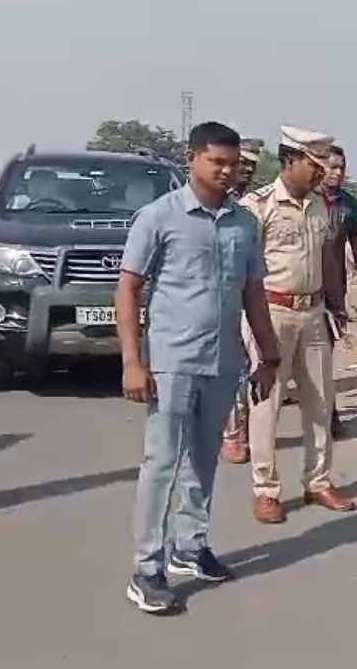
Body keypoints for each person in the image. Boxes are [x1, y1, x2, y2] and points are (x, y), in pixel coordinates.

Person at [116, 121, 282, 614]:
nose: (228, 172)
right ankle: (147, 568)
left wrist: (267, 356)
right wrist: (132, 360)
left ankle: (189, 546)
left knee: (204, 460)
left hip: (223, 360)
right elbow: (128, 288)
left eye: (234, 164)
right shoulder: (158, 217)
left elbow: (253, 292)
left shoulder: (242, 223)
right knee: (162, 462)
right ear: (192, 159)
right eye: (218, 162)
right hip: (171, 362)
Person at [241, 124, 356, 523]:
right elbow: (244, 270)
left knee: (320, 401)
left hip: (313, 312)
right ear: (290, 161)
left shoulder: (322, 206)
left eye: (324, 163)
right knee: (266, 404)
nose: (322, 171)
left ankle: (319, 480)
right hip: (271, 311)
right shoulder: (258, 206)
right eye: (314, 163)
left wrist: (336, 306)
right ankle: (266, 489)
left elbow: (326, 258)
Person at [221, 137, 266, 464]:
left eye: (252, 166)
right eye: (243, 163)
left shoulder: (251, 206)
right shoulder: (213, 201)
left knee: (248, 366)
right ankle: (230, 433)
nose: (246, 171)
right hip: (216, 297)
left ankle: (240, 433)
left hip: (248, 294)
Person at [320, 145, 357, 437]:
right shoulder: (303, 200)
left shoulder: (348, 206)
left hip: (331, 294)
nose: (337, 172)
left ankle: (329, 413)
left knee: (324, 358)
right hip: (292, 291)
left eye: (341, 167)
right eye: (331, 166)